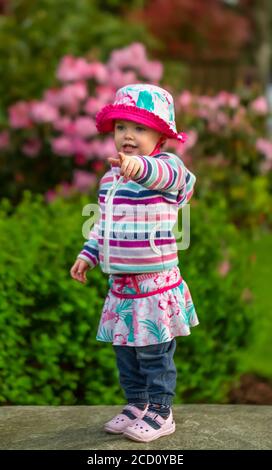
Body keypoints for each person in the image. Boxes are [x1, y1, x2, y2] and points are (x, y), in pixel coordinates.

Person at [70, 83, 199, 443]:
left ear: (161, 135)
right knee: (125, 352)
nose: (128, 135)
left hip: (154, 285)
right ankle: (137, 404)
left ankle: (161, 410)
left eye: (139, 128)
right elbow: (103, 224)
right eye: (121, 128)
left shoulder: (166, 168)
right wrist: (88, 255)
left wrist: (136, 166)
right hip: (121, 287)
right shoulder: (111, 178)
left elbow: (170, 179)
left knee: (154, 353)